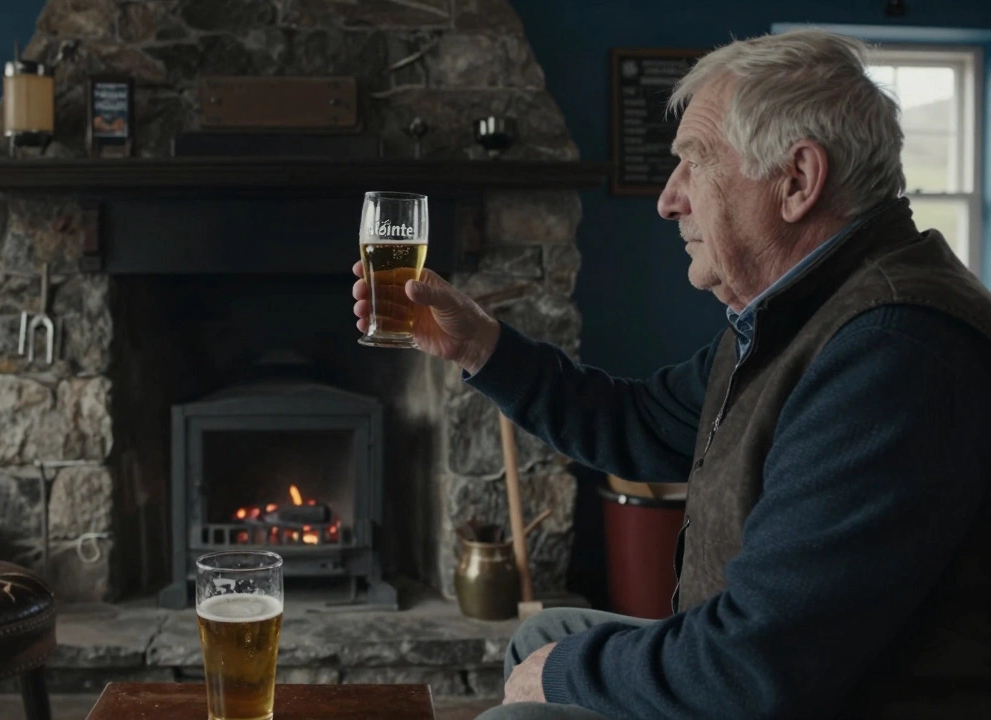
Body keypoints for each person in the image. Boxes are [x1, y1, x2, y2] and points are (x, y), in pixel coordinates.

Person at [352, 29, 991, 719]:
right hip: (771, 668)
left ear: (798, 180)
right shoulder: (803, 315)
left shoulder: (892, 354)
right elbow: (643, 426)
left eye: (695, 162)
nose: (667, 199)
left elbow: (755, 665)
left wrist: (562, 677)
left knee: (530, 697)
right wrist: (480, 346)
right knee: (545, 635)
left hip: (818, 695)